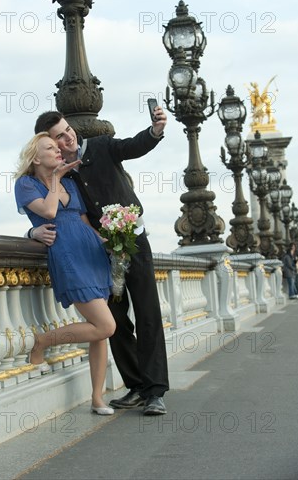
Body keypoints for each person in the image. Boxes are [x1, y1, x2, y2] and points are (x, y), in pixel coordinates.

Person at [31, 108, 170, 416]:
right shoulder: (61, 175)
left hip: (133, 242)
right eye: (59, 137)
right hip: (102, 254)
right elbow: (50, 210)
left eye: (67, 130)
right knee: (116, 322)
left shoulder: (102, 145)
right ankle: (135, 386)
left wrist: (155, 130)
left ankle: (155, 391)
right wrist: (32, 230)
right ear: (49, 143)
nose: (68, 137)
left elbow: (133, 146)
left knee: (147, 314)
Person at [14, 132, 116, 415]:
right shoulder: (26, 184)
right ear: (36, 157)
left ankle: (97, 398)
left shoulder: (71, 182)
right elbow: (48, 212)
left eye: (58, 147)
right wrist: (56, 178)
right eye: (50, 148)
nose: (59, 151)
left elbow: (83, 220)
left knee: (100, 334)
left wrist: (111, 241)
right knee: (106, 325)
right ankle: (43, 341)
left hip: (91, 253)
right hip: (67, 255)